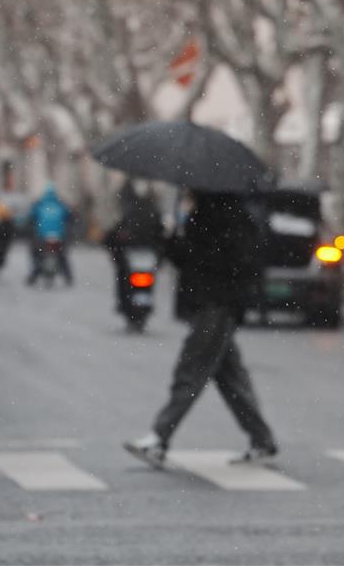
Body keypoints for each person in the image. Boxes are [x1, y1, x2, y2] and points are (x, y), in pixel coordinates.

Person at [123, 193, 278, 469]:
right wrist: (172, 241)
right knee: (230, 378)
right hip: (215, 304)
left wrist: (180, 244)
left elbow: (212, 262)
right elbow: (195, 259)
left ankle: (159, 437)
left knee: (191, 370)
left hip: (215, 305)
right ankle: (262, 439)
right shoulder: (216, 214)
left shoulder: (223, 218)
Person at [103, 182, 165, 313]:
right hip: (143, 254)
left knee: (123, 275)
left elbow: (116, 233)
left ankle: (125, 304)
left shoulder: (130, 211)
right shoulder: (152, 211)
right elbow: (160, 233)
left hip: (137, 254)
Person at [25, 184, 74, 287]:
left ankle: (33, 277)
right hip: (59, 236)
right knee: (62, 256)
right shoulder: (61, 205)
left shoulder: (39, 204)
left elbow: (31, 218)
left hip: (42, 236)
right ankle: (68, 277)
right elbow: (70, 217)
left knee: (37, 255)